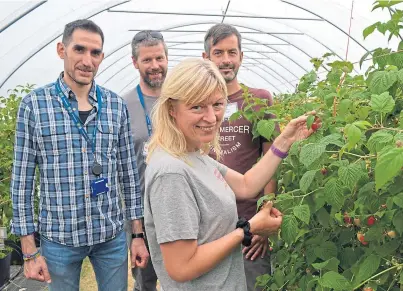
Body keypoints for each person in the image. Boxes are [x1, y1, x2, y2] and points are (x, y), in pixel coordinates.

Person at [143, 58, 316, 290]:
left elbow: (246, 185)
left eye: (217, 104)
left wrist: (284, 141)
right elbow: (180, 267)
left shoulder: (193, 155)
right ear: (172, 109)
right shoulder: (171, 172)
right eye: (197, 107)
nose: (212, 117)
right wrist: (247, 230)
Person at [10, 19, 147, 291]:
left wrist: (138, 234)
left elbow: (129, 174)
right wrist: (28, 249)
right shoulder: (35, 106)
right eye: (79, 49)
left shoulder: (114, 105)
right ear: (62, 50)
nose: (87, 60)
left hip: (110, 236)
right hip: (60, 238)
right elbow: (22, 180)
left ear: (102, 57)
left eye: (95, 53)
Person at [203, 23, 277, 290]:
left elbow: (270, 160)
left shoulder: (258, 100)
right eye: (218, 52)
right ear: (206, 58)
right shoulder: (196, 105)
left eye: (232, 52)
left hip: (249, 221)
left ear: (241, 56)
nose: (226, 60)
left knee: (254, 283)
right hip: (208, 223)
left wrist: (265, 214)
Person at [123, 30, 168, 291]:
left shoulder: (180, 99)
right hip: (142, 213)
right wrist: (134, 229)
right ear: (134, 62)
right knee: (145, 282)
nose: (155, 66)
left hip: (179, 208)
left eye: (159, 58)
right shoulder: (123, 105)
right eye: (147, 60)